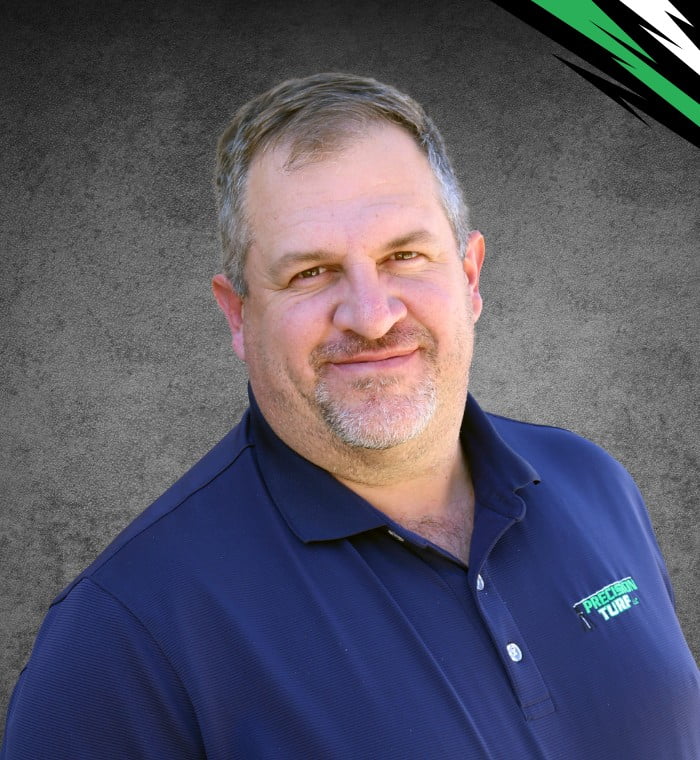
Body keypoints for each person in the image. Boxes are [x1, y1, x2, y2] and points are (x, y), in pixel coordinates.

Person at [1, 72, 698, 759]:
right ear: (238, 314)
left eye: (404, 255)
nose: (371, 316)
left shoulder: (593, 481)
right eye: (310, 272)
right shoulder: (126, 633)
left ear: (469, 276)